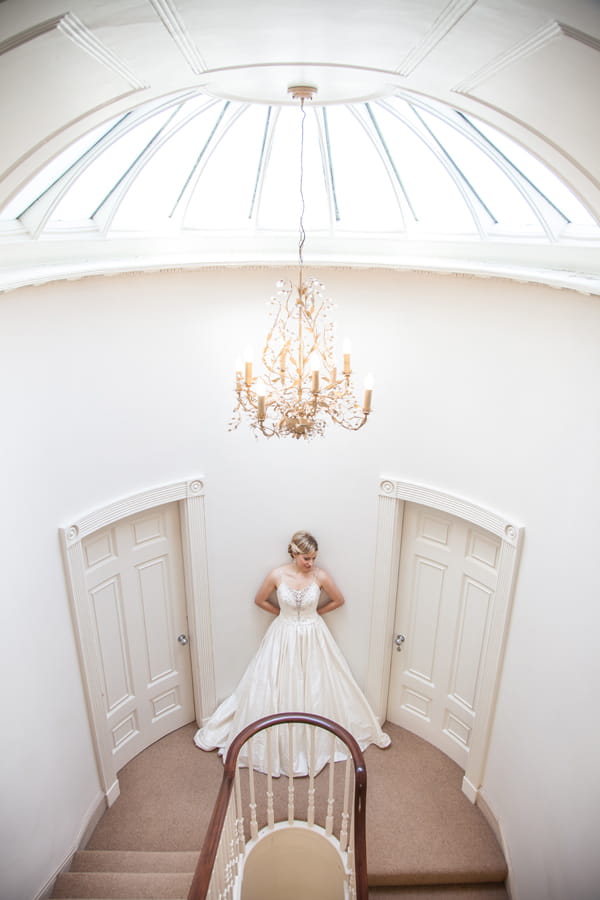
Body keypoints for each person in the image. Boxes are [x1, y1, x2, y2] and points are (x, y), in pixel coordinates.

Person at [193, 530, 390, 776]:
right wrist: (282, 615)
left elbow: (339, 600)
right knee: (274, 682)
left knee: (318, 681)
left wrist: (314, 614)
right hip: (282, 633)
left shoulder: (320, 576)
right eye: (306, 558)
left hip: (314, 633)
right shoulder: (277, 575)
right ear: (294, 553)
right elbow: (260, 600)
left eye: (313, 558)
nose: (311, 563)